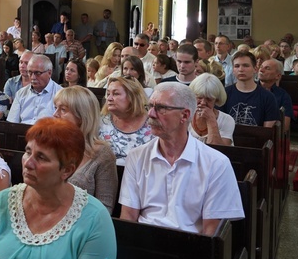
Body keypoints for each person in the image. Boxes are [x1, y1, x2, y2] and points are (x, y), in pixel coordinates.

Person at [0, 117, 116, 259]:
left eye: (41, 157)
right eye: (28, 152)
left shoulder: (94, 218)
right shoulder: (2, 202)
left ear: (67, 170)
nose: (28, 163)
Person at [120, 83, 244, 235]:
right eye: (150, 106)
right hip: (144, 243)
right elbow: (128, 217)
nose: (151, 114)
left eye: (161, 108)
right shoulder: (136, 156)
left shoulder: (216, 163)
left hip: (189, 247)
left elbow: (211, 232)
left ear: (184, 115)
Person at [53, 87, 118, 213]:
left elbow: (104, 208)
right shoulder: (50, 146)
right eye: (55, 108)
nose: (55, 114)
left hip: (82, 226)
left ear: (81, 116)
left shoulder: (102, 154)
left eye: (63, 110)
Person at [99, 76, 153, 165]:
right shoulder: (101, 122)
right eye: (108, 94)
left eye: (116, 94)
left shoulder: (152, 124)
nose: (109, 98)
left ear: (132, 97)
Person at [221, 51, 280, 127]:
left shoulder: (268, 97)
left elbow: (268, 131)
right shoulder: (224, 94)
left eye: (245, 65)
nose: (241, 69)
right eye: (237, 66)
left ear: (255, 69)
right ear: (233, 70)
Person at [7, 55, 62, 125]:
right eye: (30, 73)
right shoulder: (21, 93)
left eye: (37, 73)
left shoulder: (60, 94)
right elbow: (12, 124)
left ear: (49, 73)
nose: (33, 77)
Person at [188, 73, 235, 145]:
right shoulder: (186, 116)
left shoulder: (227, 120)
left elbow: (219, 151)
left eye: (209, 99)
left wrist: (211, 120)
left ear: (216, 100)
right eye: (199, 97)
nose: (203, 102)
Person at [258, 59, 293, 130]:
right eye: (261, 67)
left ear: (278, 76)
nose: (261, 70)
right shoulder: (249, 89)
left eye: (267, 68)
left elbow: (284, 127)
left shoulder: (283, 96)